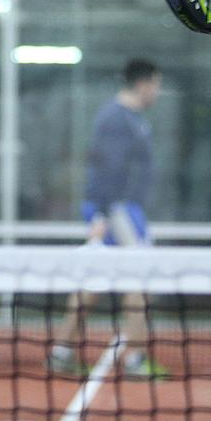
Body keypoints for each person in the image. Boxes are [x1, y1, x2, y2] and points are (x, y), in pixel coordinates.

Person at [48, 58, 167, 380]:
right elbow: (107, 168)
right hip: (118, 210)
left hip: (121, 209)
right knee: (139, 280)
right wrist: (102, 212)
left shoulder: (132, 119)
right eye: (156, 85)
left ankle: (62, 351)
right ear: (143, 84)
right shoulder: (117, 120)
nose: (157, 91)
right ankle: (136, 359)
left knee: (96, 279)